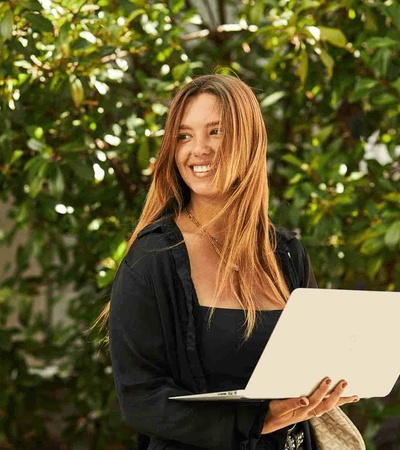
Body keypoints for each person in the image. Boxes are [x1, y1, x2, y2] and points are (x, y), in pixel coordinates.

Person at [108, 74, 359, 450]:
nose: (198, 150)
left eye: (215, 132)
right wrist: (260, 421)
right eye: (184, 135)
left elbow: (312, 365)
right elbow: (141, 399)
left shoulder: (286, 253)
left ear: (250, 141)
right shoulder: (152, 259)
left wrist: (334, 383)